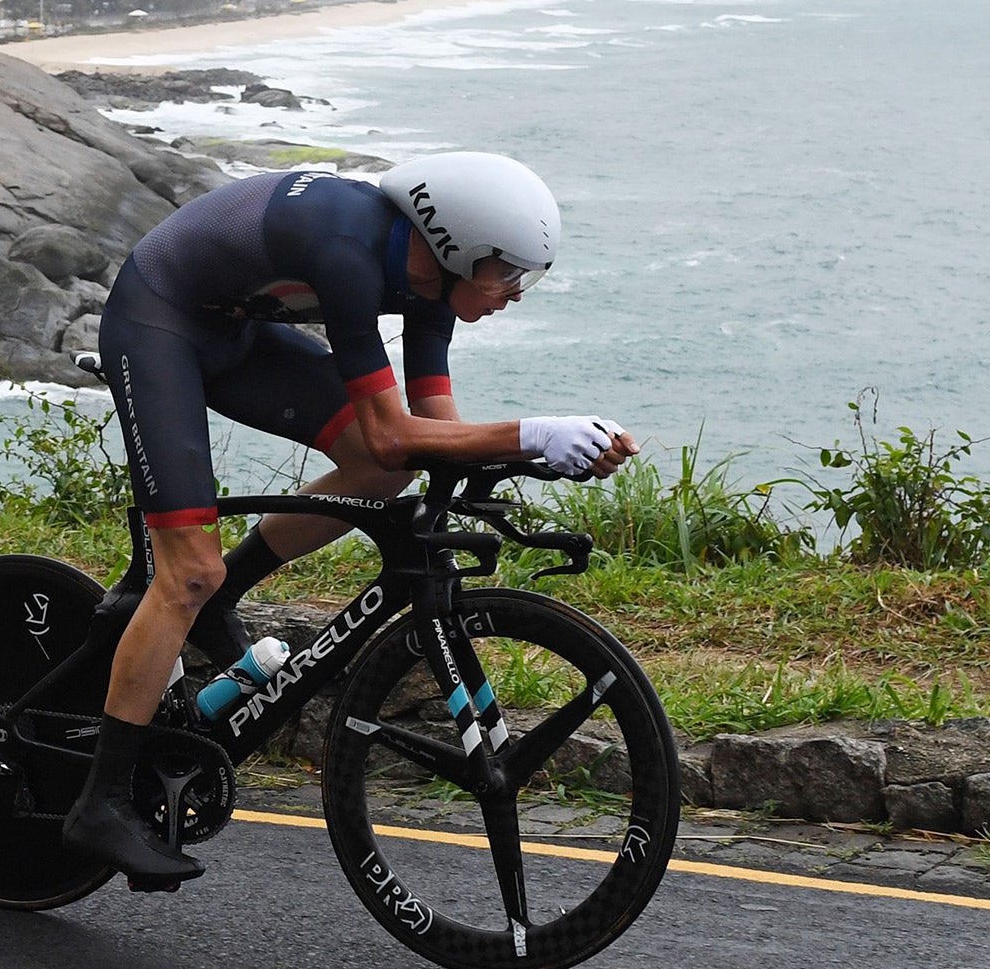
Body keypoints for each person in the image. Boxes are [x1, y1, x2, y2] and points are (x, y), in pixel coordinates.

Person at [63, 151, 638, 880]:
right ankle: (101, 804)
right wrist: (529, 432)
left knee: (375, 475)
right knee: (188, 573)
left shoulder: (434, 285)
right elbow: (397, 431)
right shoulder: (347, 249)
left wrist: (552, 453)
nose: (515, 294)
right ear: (459, 248)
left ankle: (223, 598)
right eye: (508, 274)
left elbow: (430, 439)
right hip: (158, 320)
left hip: (234, 330)